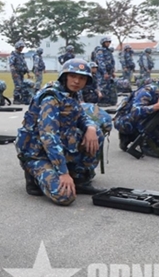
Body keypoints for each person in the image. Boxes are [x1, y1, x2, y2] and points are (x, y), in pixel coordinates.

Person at [15, 59, 105, 205]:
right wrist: (63, 173)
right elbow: (48, 136)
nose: (77, 81)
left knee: (96, 133)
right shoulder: (51, 97)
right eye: (73, 76)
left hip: (61, 147)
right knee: (64, 195)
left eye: (82, 78)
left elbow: (81, 116)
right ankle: (34, 176)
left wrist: (91, 128)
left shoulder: (72, 93)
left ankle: (79, 178)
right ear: (64, 77)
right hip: (38, 154)